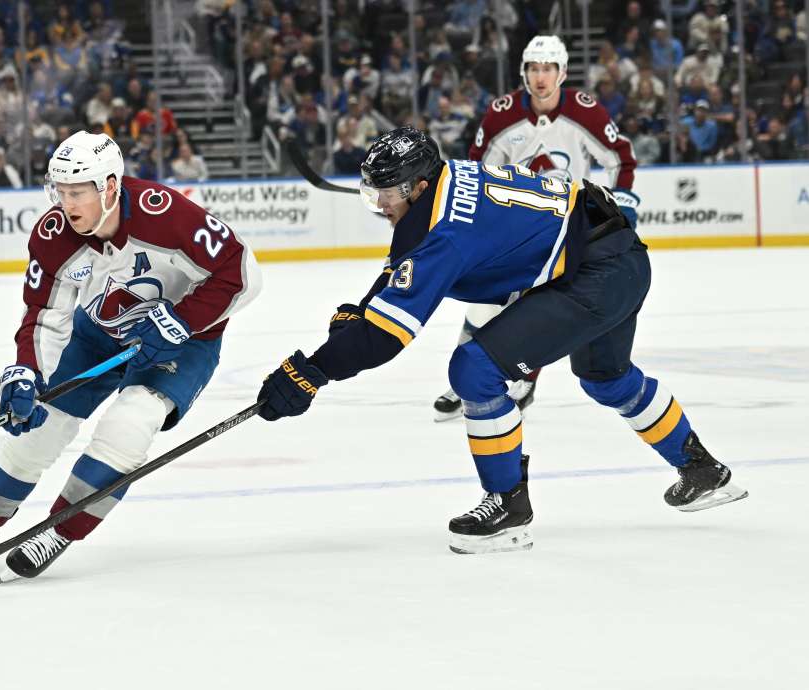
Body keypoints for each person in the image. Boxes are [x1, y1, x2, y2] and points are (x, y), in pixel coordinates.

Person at [255, 127, 747, 554]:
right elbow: (402, 264)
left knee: (474, 370)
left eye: (388, 193)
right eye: (373, 193)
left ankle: (509, 504)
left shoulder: (445, 229)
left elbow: (386, 336)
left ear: (420, 185)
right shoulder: (444, 183)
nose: (380, 204)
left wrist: (310, 372)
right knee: (606, 378)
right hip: (615, 257)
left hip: (598, 271)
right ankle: (703, 471)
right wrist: (362, 310)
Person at [0, 130, 261, 581]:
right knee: (40, 423)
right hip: (98, 333)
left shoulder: (167, 216)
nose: (67, 204)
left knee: (129, 425)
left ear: (110, 186)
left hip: (183, 341)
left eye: (78, 192)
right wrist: (27, 372)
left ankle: (59, 531)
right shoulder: (54, 233)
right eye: (60, 191)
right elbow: (44, 314)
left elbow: (241, 273)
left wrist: (182, 320)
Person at [431, 35, 641, 422]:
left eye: (547, 68)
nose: (540, 76)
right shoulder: (500, 113)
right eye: (533, 68)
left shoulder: (587, 111)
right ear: (523, 72)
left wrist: (621, 203)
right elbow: (480, 170)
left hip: (571, 227)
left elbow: (621, 160)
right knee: (487, 298)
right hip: (517, 223)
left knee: (541, 305)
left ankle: (522, 382)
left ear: (562, 72)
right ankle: (464, 381)